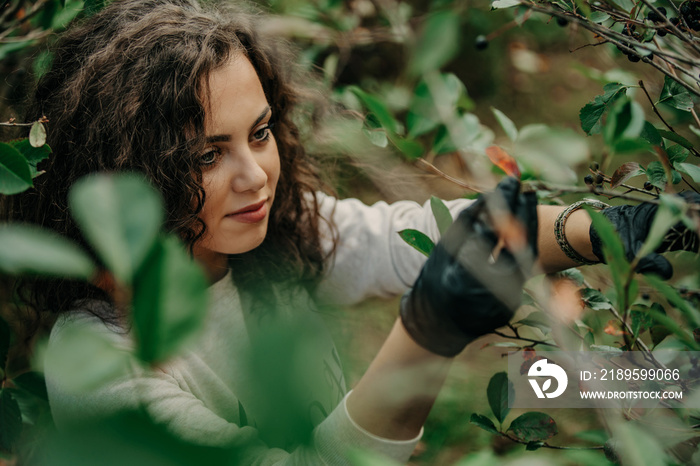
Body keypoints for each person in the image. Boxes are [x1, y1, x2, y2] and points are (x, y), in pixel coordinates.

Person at [1, 0, 697, 464]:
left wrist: (620, 228)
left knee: (652, 380)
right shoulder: (98, 364)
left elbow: (422, 236)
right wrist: (426, 339)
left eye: (261, 133)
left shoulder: (270, 233)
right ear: (123, 169)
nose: (256, 178)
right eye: (207, 155)